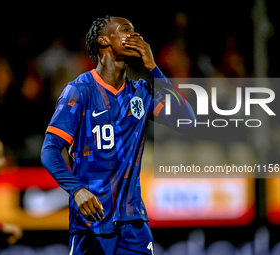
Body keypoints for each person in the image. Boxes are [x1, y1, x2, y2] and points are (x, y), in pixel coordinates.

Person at [41, 16, 195, 254]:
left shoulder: (141, 92)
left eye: (135, 32)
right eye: (125, 30)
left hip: (134, 224)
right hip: (92, 222)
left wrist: (154, 68)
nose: (134, 36)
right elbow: (50, 150)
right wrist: (76, 190)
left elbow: (187, 120)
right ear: (103, 40)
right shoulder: (79, 90)